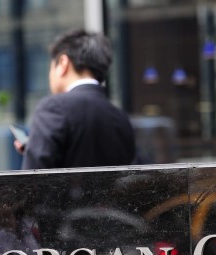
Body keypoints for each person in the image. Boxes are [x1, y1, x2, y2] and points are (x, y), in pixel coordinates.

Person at [17, 29, 136, 169]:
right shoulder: (120, 117)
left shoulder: (54, 107)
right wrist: (36, 147)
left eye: (50, 68)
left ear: (63, 63)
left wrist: (36, 150)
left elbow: (34, 180)